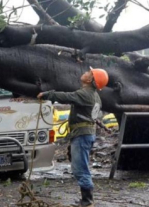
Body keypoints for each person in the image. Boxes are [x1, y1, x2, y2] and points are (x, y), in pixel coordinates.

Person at [37, 67, 109, 207]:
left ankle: (87, 201)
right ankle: (86, 200)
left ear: (90, 80)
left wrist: (47, 95)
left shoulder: (85, 94)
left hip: (82, 135)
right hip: (84, 134)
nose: (86, 72)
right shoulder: (95, 96)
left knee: (80, 169)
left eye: (89, 73)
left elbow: (66, 96)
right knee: (80, 167)